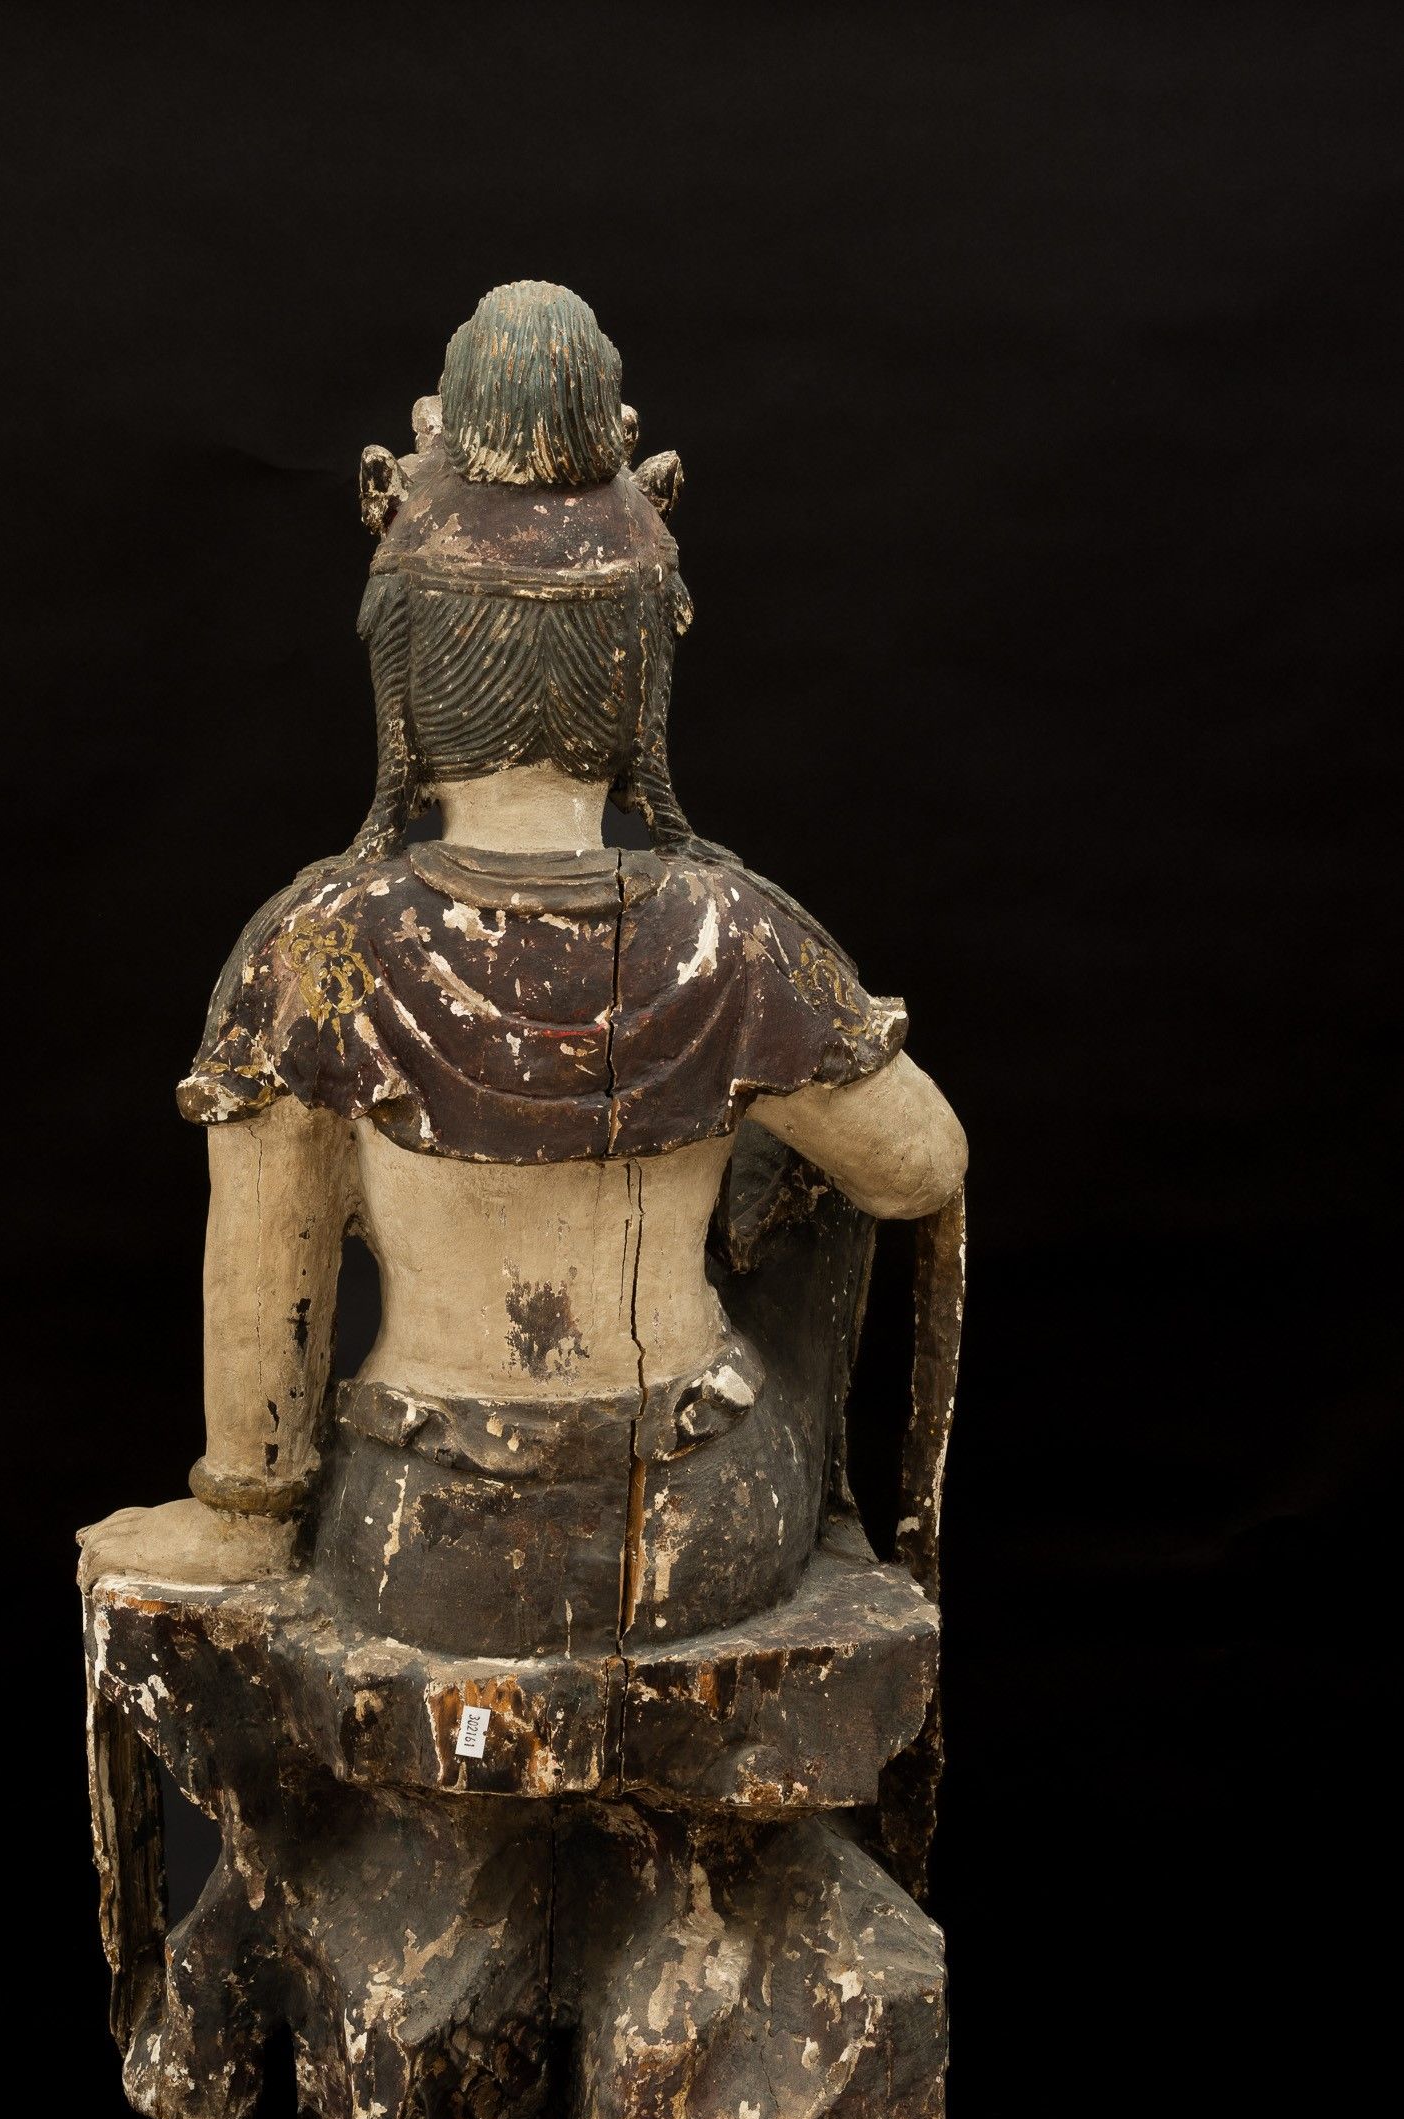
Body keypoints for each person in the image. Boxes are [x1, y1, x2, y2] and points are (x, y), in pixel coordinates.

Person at [95, 282, 965, 1654]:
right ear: (638, 679)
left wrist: (249, 1519)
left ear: (406, 678)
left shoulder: (318, 948)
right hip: (703, 1517)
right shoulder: (732, 933)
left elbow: (267, 1284)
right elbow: (920, 1166)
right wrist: (745, 1113)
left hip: (420, 1531)